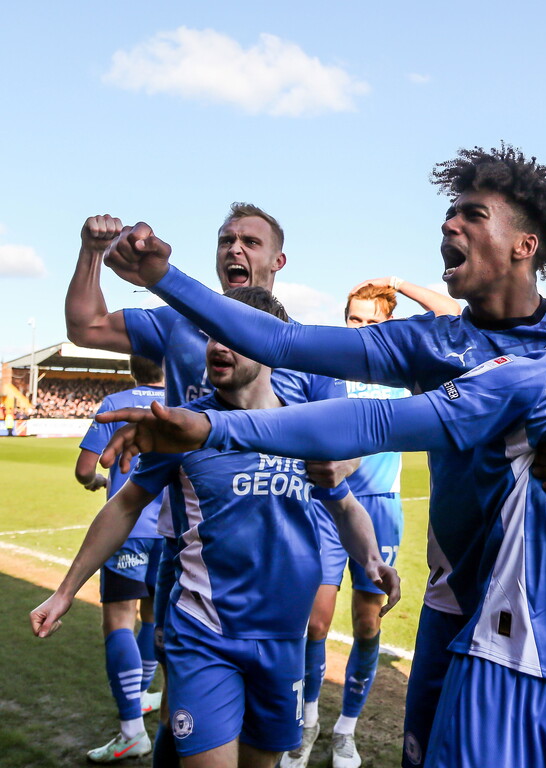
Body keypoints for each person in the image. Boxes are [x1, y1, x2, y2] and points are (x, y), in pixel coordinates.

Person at [99, 144, 546, 766]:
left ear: (525, 245)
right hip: (453, 605)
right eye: (450, 212)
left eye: (472, 214)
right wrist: (164, 277)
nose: (449, 223)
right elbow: (287, 343)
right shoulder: (429, 343)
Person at [32, 287, 400, 768]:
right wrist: (64, 592)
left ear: (271, 346)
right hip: (206, 636)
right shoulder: (185, 426)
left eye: (233, 336)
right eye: (211, 335)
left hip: (282, 641)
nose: (216, 346)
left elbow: (343, 503)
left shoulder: (304, 427)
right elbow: (124, 507)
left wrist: (371, 559)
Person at [65, 205, 346, 767]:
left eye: (249, 241)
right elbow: (84, 326)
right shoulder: (177, 322)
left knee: (248, 729)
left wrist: (335, 542)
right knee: (187, 708)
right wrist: (91, 252)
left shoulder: (307, 348)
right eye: (225, 240)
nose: (234, 249)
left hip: (280, 554)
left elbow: (341, 458)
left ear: (277, 260)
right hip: (187, 549)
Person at [285, 280, 459, 768]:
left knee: (366, 623)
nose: (361, 329)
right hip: (325, 504)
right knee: (315, 620)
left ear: (389, 323)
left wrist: (399, 284)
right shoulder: (330, 366)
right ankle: (309, 719)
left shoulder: (406, 370)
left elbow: (452, 315)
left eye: (372, 320)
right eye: (354, 319)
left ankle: (346, 731)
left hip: (379, 506)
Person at [75, 355, 166, 762]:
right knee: (151, 616)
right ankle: (143, 695)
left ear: (133, 365)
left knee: (117, 620)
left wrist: (95, 480)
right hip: (172, 530)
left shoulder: (116, 402)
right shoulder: (184, 404)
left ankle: (132, 729)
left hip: (128, 528)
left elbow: (83, 469)